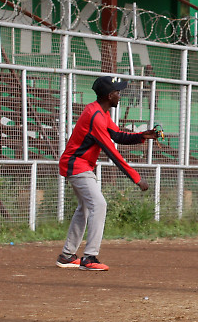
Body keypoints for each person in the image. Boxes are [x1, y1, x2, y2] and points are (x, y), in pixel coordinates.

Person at [55, 76, 158, 271]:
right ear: (110, 96)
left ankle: (67, 256)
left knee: (85, 208)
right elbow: (112, 152)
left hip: (79, 165)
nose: (120, 96)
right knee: (99, 205)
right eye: (118, 93)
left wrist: (143, 136)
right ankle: (90, 257)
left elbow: (117, 135)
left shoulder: (100, 112)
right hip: (77, 166)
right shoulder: (95, 116)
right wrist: (136, 178)